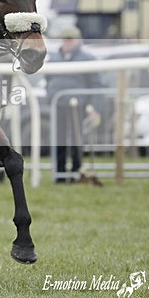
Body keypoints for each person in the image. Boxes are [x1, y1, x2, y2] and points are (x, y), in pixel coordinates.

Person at [45, 26, 104, 183]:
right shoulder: (54, 57)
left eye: (71, 40)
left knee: (77, 140)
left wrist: (95, 109)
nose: (68, 43)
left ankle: (77, 171)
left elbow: (97, 85)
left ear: (78, 40)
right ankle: (60, 173)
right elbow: (48, 80)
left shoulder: (87, 59)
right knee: (59, 140)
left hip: (79, 105)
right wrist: (50, 97)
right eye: (65, 39)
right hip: (59, 105)